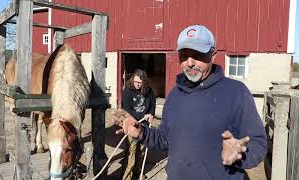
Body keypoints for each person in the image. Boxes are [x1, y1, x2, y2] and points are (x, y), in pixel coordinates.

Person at [113, 25, 267, 180]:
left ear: (213, 55)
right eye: (184, 56)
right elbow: (165, 139)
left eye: (197, 54)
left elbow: (258, 145)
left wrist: (240, 154)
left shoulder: (236, 93)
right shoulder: (174, 95)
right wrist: (143, 133)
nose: (190, 62)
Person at [121, 69, 156, 180]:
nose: (137, 84)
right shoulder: (128, 90)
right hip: (132, 124)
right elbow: (126, 109)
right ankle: (127, 176)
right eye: (136, 81)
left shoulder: (149, 91)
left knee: (140, 150)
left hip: (144, 125)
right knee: (131, 150)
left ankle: (137, 173)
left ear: (144, 82)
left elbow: (153, 104)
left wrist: (151, 114)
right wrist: (141, 116)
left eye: (140, 83)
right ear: (133, 80)